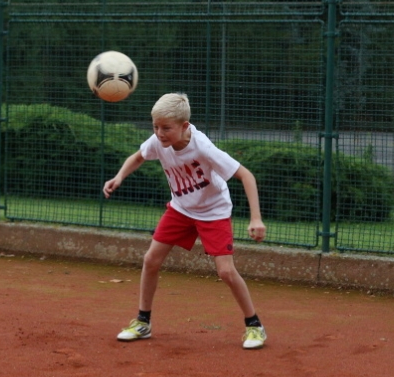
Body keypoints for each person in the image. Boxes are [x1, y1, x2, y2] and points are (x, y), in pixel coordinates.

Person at [103, 92, 269, 349]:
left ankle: (254, 325)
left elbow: (246, 176)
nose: (159, 133)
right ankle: (143, 322)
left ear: (185, 126)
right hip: (181, 209)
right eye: (155, 126)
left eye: (166, 128)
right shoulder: (159, 141)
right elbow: (137, 157)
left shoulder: (202, 147)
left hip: (214, 211)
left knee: (225, 272)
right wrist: (119, 177)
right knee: (151, 259)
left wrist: (255, 219)